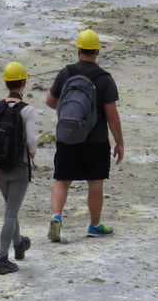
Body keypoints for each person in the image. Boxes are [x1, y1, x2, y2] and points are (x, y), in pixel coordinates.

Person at [45, 29, 124, 241]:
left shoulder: (66, 73)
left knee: (62, 180)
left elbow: (50, 101)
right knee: (95, 182)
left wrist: (70, 113)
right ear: (97, 51)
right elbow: (112, 116)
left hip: (68, 135)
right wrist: (119, 142)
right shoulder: (104, 79)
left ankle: (56, 216)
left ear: (78, 49)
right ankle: (94, 225)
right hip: (96, 140)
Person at [0, 61, 37, 274]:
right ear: (24, 83)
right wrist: (32, 154)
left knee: (10, 210)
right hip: (19, 166)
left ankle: (19, 245)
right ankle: (2, 258)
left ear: (6, 82)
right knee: (11, 212)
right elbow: (31, 142)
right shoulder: (28, 110)